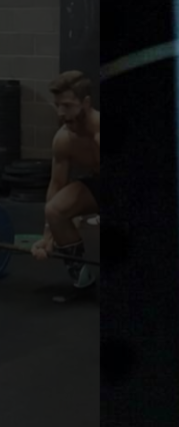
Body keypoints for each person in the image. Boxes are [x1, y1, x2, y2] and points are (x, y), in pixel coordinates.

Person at [31, 70, 101, 295]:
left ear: (86, 102)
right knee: (54, 210)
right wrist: (48, 235)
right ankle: (82, 275)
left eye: (68, 106)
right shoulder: (63, 140)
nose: (61, 113)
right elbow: (57, 184)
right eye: (58, 105)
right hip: (96, 184)